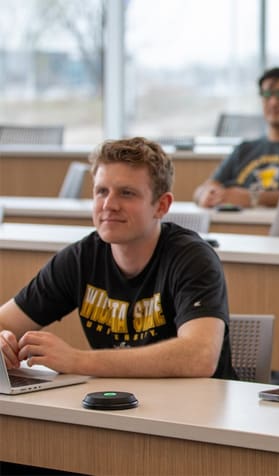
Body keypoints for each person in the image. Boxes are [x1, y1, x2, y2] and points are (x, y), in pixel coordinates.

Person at [0, 137, 236, 379]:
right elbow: (4, 322)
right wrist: (3, 342)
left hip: (196, 410)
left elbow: (199, 357)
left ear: (161, 206)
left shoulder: (192, 259)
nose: (109, 204)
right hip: (117, 405)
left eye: (127, 193)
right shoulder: (80, 258)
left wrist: (77, 360)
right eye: (101, 191)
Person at [194, 67, 279, 208]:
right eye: (267, 94)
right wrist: (206, 195)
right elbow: (204, 188)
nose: (273, 102)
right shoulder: (244, 149)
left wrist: (253, 197)